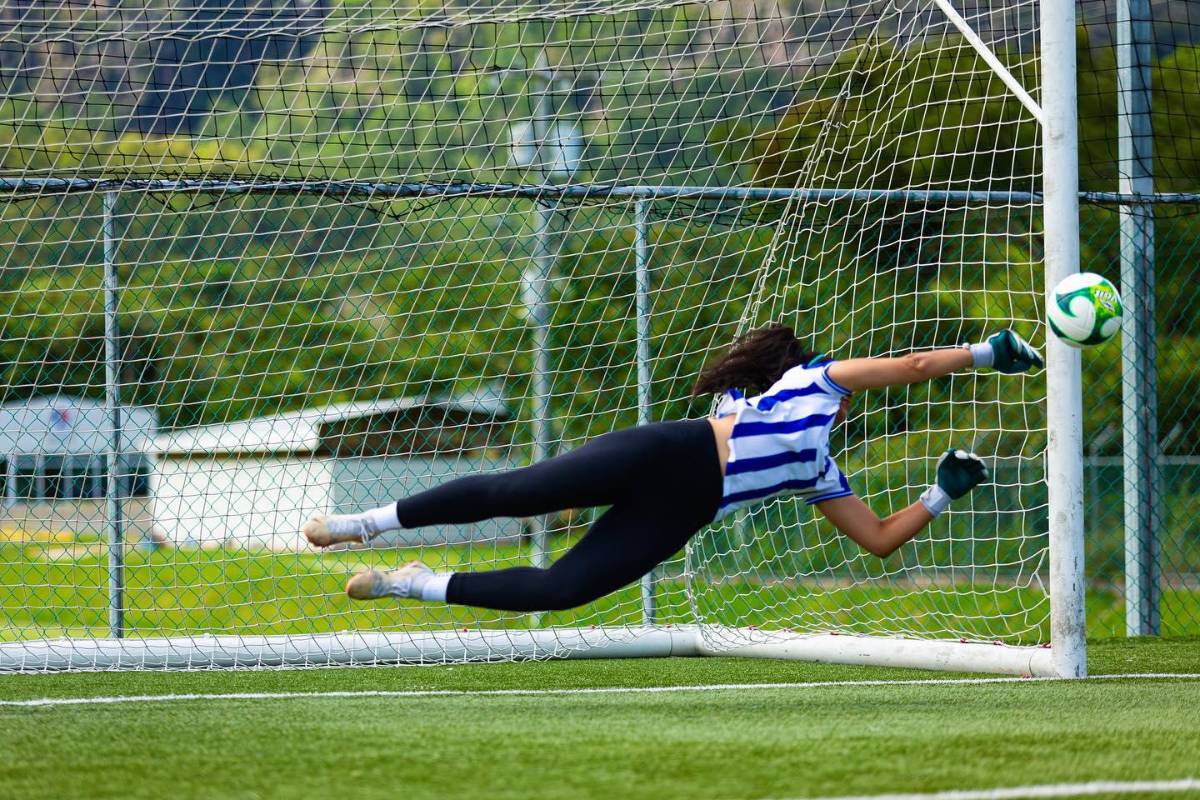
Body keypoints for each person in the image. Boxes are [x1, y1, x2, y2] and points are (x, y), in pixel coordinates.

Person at [302, 324, 1043, 612]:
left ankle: (415, 584)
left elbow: (878, 540)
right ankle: (361, 524)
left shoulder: (820, 469)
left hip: (678, 513)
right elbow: (914, 364)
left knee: (564, 590)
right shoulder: (812, 381)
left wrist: (940, 494)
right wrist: (985, 354)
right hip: (672, 451)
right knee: (515, 490)